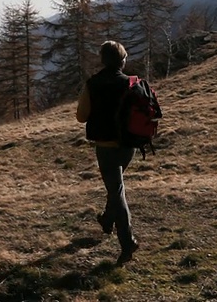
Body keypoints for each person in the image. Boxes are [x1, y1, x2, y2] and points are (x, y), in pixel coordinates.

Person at [76, 40, 139, 266]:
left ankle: (127, 242)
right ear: (123, 60)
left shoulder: (93, 84)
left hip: (106, 147)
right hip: (129, 146)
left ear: (103, 60)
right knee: (116, 187)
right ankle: (106, 220)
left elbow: (81, 116)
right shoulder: (132, 83)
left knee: (117, 190)